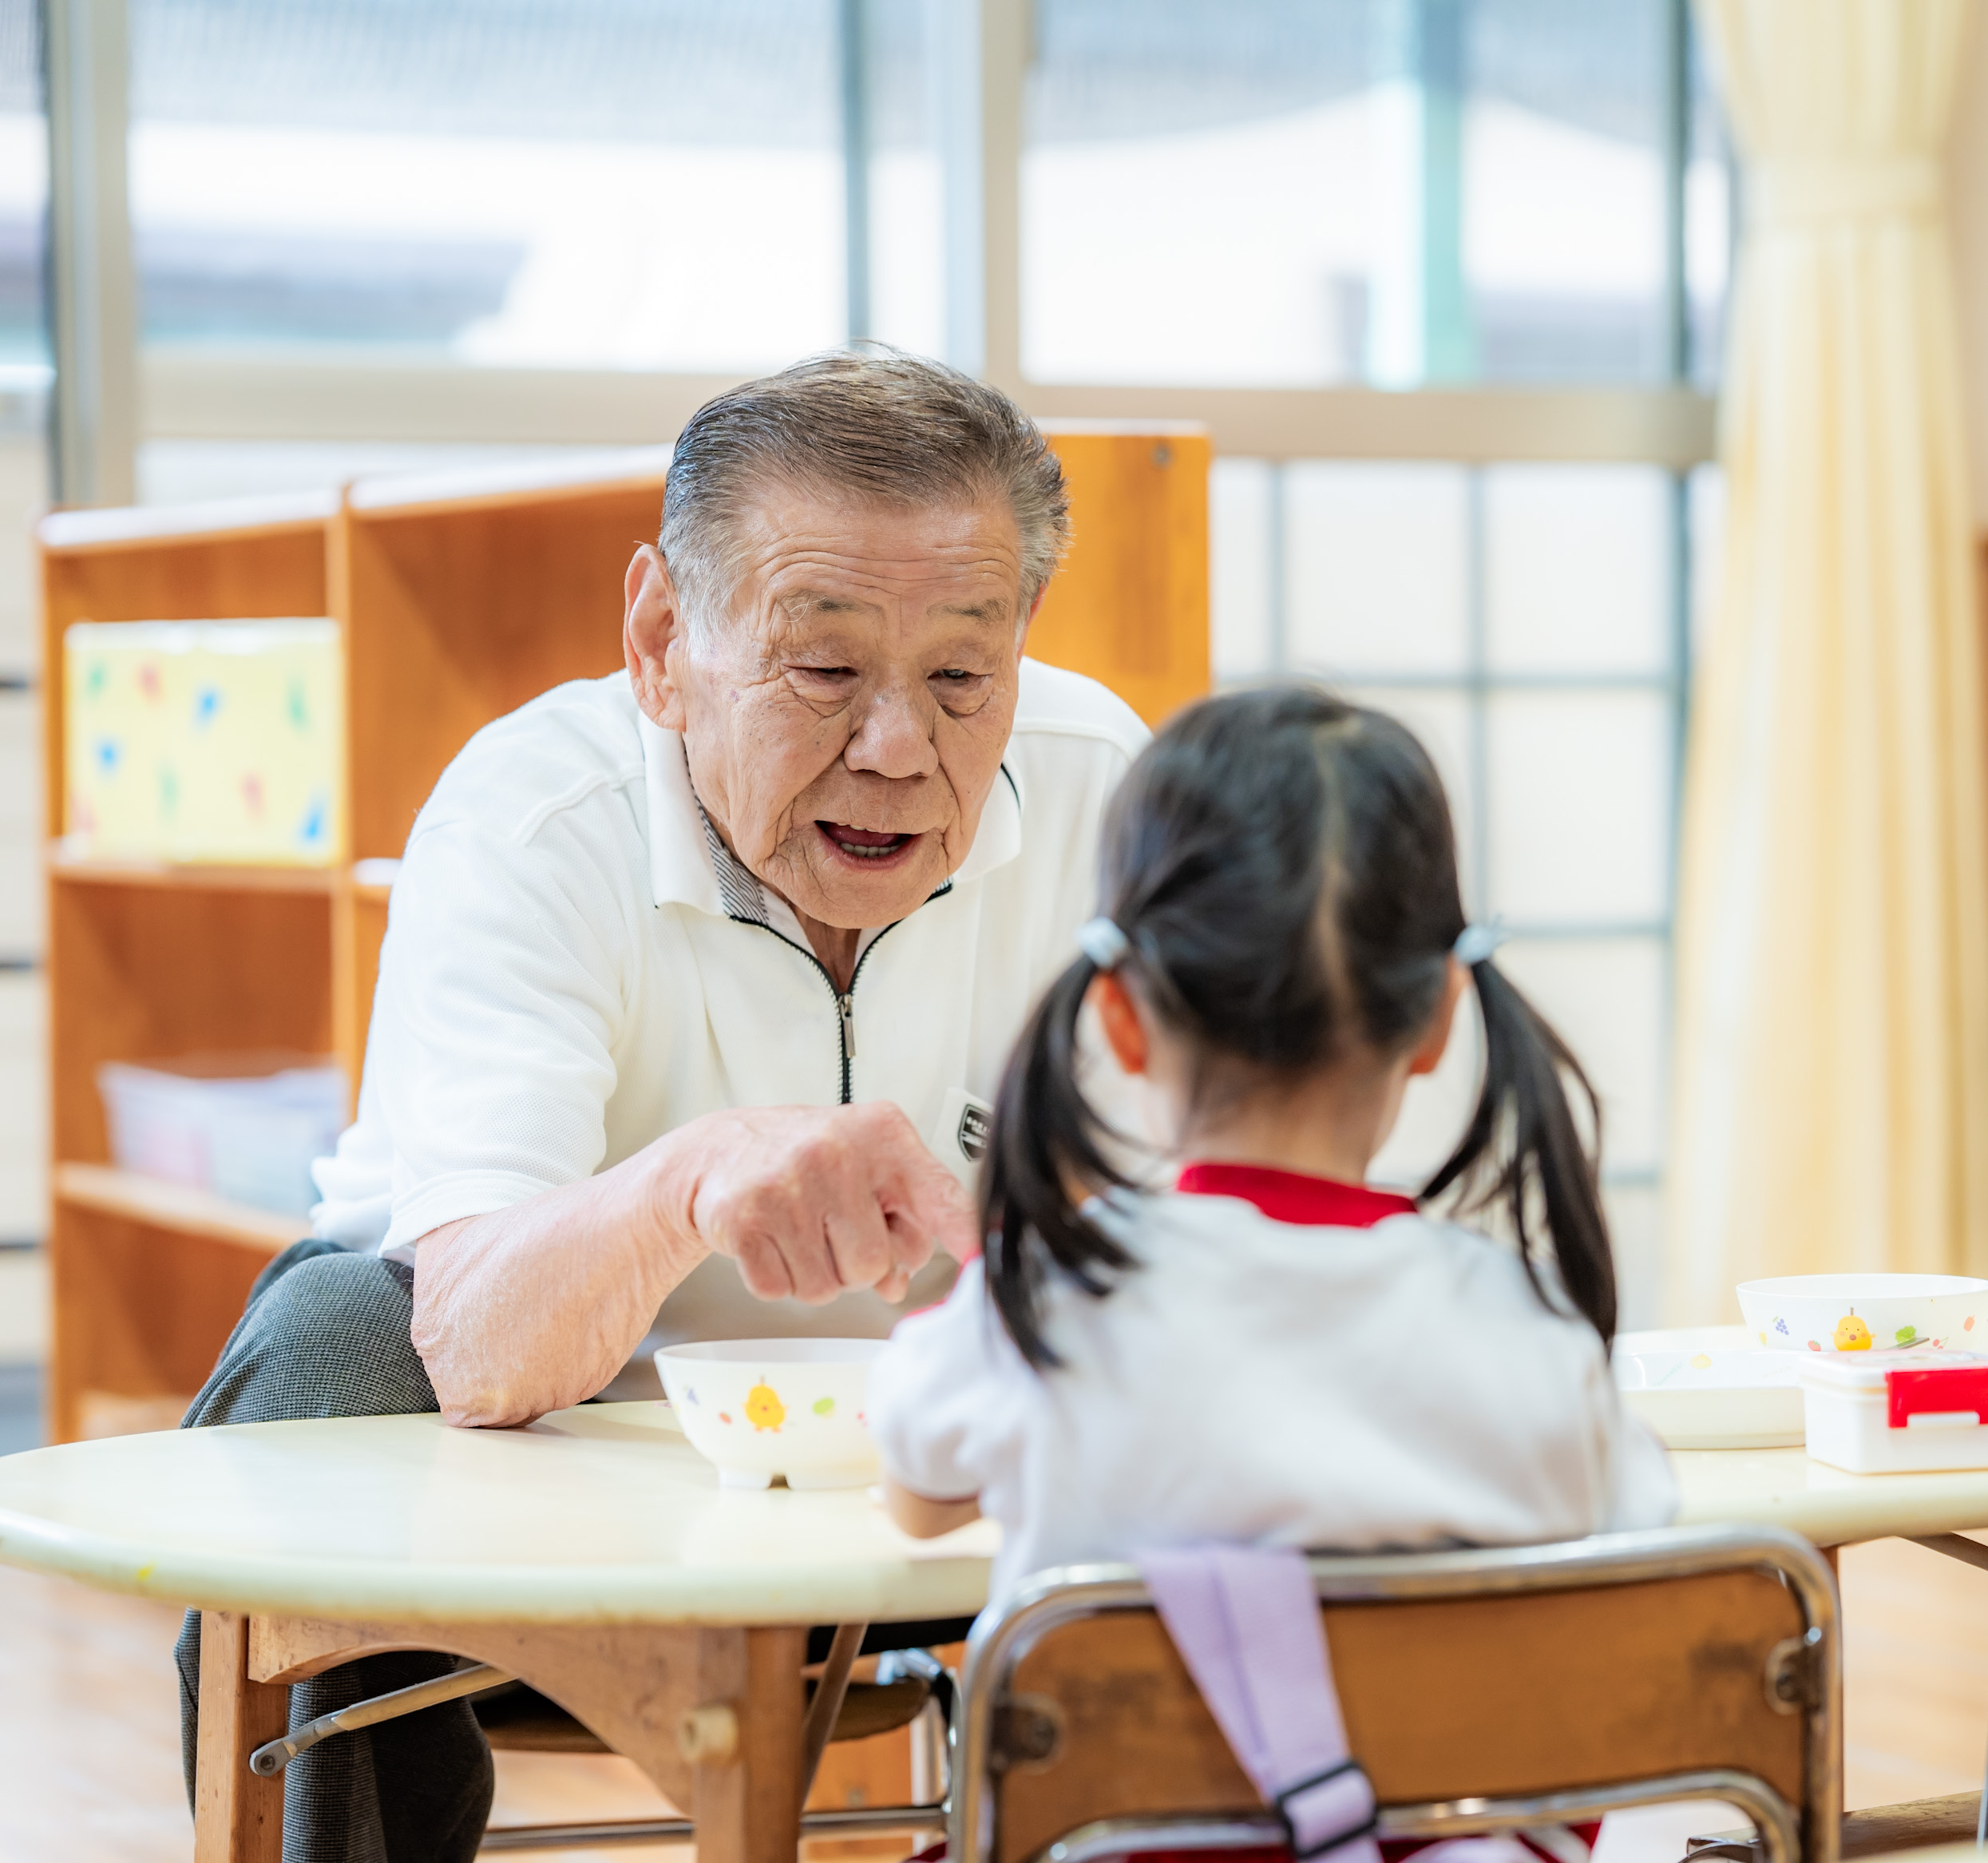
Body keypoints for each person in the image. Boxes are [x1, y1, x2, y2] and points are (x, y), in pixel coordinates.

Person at [172, 350, 1149, 1863]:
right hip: (541, 1456)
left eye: (963, 676)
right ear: (659, 638)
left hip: (941, 1458)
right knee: (324, 1345)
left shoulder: (1105, 788)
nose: (899, 747)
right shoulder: (532, 815)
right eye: (823, 669)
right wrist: (690, 1176)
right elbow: (478, 1341)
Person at [868, 686, 1680, 1615]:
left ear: (1122, 1019)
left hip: (1127, 1766)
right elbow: (1641, 1524)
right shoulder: (1531, 1337)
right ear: (1438, 1021)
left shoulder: (1039, 1315)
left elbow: (916, 1494)